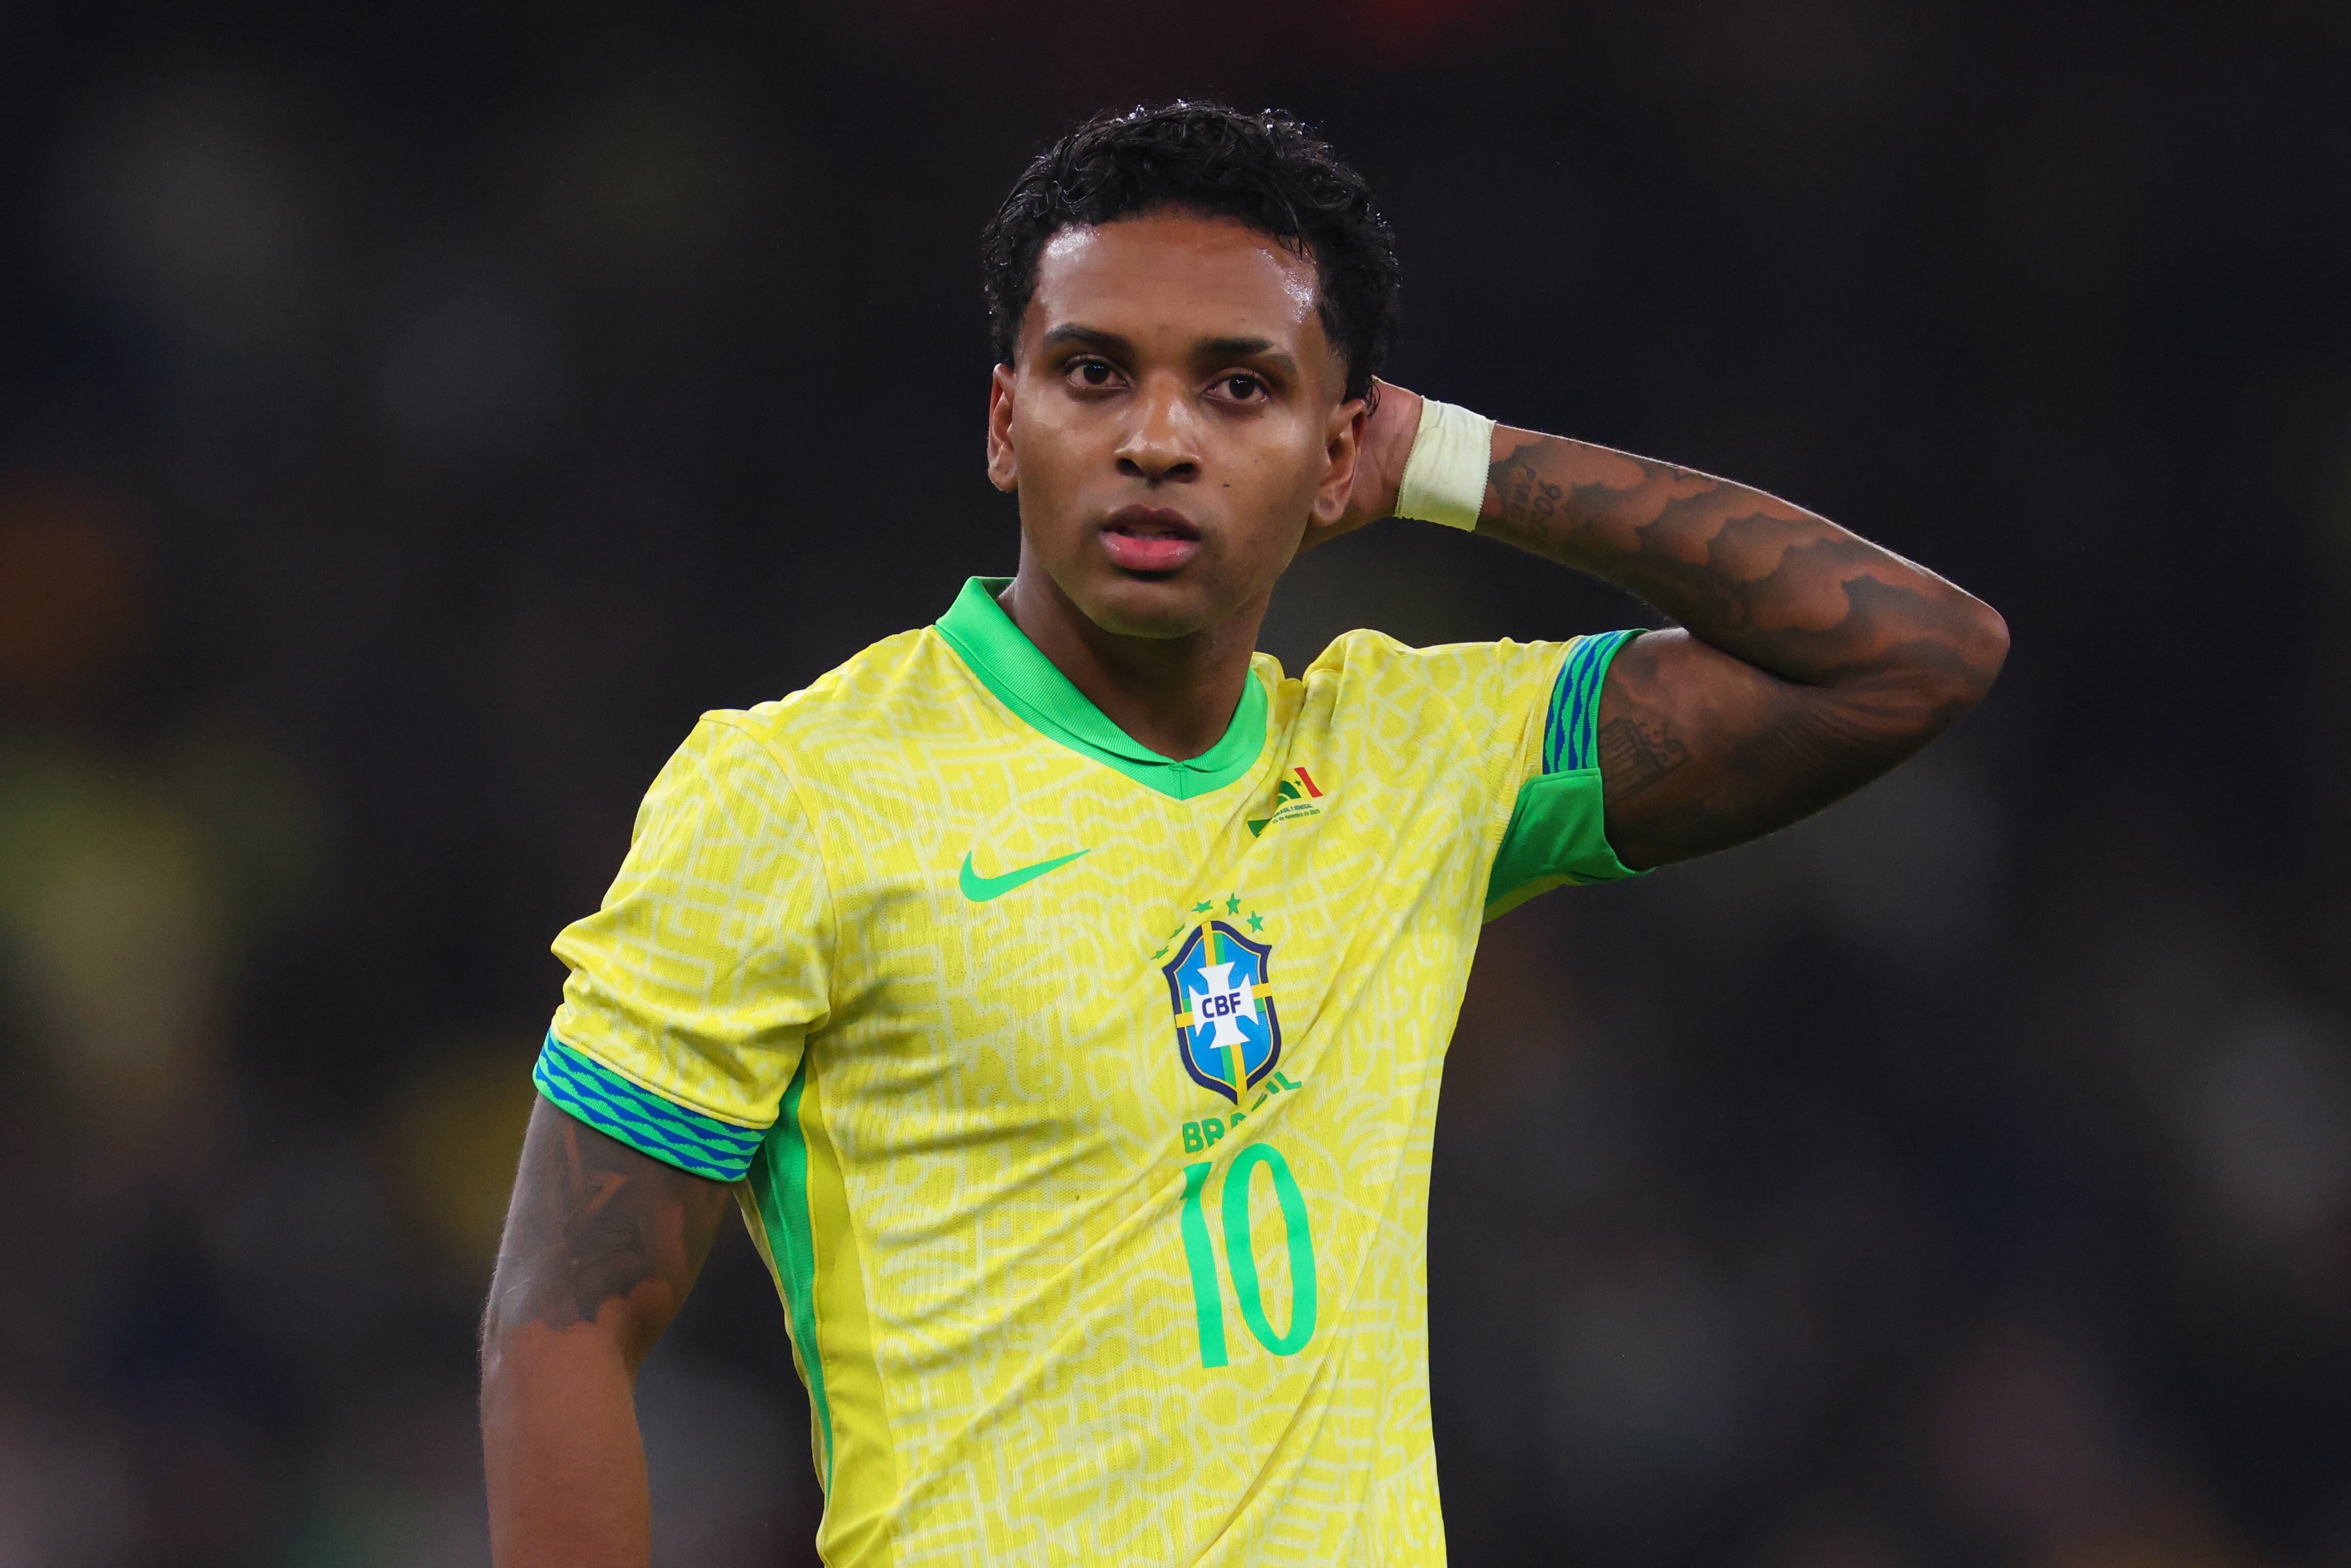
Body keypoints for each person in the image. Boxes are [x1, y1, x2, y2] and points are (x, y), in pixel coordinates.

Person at [479, 101, 2007, 1566]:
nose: (1156, 438)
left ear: (1341, 455)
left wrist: (1450, 461)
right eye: (1092, 373)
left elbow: (1911, 657)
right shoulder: (800, 795)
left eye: (1238, 387)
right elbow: (560, 1316)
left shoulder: (1415, 759)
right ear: (1006, 424)